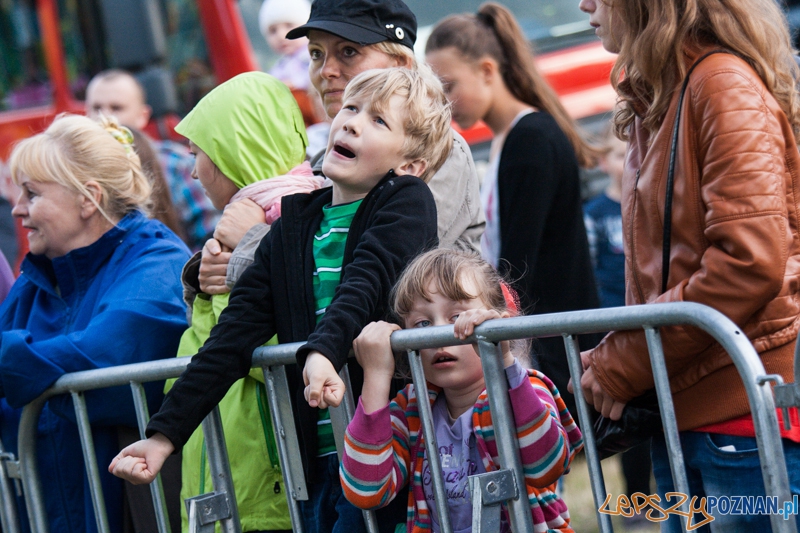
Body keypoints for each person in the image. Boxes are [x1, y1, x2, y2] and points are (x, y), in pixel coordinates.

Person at [109, 66, 452, 533]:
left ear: (409, 165)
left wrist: (321, 352)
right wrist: (163, 436)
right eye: (350, 109)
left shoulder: (405, 201)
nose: (350, 122)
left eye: (378, 121)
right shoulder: (295, 222)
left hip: (389, 448)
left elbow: (365, 281)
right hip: (312, 463)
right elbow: (234, 333)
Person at [576, 0, 800, 530]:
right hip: (696, 419)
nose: (584, 3)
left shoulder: (719, 81)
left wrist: (624, 361)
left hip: (744, 424)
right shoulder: (666, 93)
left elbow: (747, 260)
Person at [197, 0, 485, 304]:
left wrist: (253, 240)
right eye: (316, 54)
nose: (326, 70)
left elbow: (376, 275)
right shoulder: (324, 160)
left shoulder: (441, 153)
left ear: (401, 64)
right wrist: (207, 267)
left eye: (349, 51)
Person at [0, 114, 189, 533]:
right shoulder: (36, 280)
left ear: (88, 198)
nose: (18, 209)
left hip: (127, 512)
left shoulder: (156, 260)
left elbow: (105, 358)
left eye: (32, 194)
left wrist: (12, 359)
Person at [425, 2, 601, 421]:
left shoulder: (530, 139)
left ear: (487, 70)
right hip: (544, 338)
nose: (444, 103)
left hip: (553, 343)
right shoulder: (512, 137)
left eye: (448, 86)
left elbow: (519, 260)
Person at [341, 248, 583, 532]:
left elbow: (545, 465)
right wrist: (376, 373)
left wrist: (501, 357)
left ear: (501, 323)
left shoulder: (527, 386)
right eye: (423, 323)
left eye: (457, 317)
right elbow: (366, 491)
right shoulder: (413, 409)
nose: (440, 336)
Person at [169, 71, 318, 533]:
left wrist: (233, 276)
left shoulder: (300, 227)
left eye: (198, 154)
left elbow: (269, 349)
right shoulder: (248, 229)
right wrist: (203, 277)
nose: (193, 171)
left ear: (235, 153)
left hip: (266, 500)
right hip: (228, 491)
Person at [583, 127, 652, 529]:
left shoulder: (646, 205)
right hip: (611, 329)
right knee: (626, 423)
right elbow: (589, 273)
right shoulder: (593, 214)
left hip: (648, 324)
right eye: (615, 154)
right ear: (602, 162)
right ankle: (636, 503)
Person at [85, 69, 220, 251]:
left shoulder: (176, 165)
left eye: (117, 108)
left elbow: (212, 238)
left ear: (143, 115)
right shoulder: (75, 170)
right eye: (96, 108)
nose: (105, 117)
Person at [259, 0, 312, 91]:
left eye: (289, 26)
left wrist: (294, 83)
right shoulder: (280, 65)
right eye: (273, 31)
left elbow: (315, 75)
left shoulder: (312, 55)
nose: (281, 36)